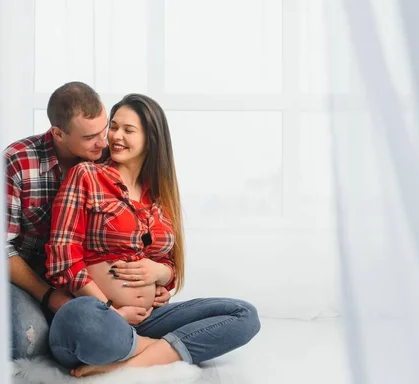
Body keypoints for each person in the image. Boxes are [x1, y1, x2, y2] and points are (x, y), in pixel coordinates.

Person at [45, 94, 261, 377]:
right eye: (114, 126)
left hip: (148, 318)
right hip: (99, 318)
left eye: (128, 130)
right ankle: (160, 349)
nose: (116, 136)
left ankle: (129, 362)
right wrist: (110, 311)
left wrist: (158, 272)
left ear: (151, 138)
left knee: (245, 315)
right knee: (80, 320)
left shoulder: (159, 194)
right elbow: (63, 257)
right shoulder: (86, 175)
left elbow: (167, 267)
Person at [5, 83, 172, 359]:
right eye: (91, 137)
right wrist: (51, 296)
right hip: (27, 276)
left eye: (104, 129)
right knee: (28, 340)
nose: (105, 142)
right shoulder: (19, 162)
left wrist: (159, 278)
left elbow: (136, 237)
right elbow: (0, 247)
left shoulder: (109, 158)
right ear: (58, 133)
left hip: (79, 285)